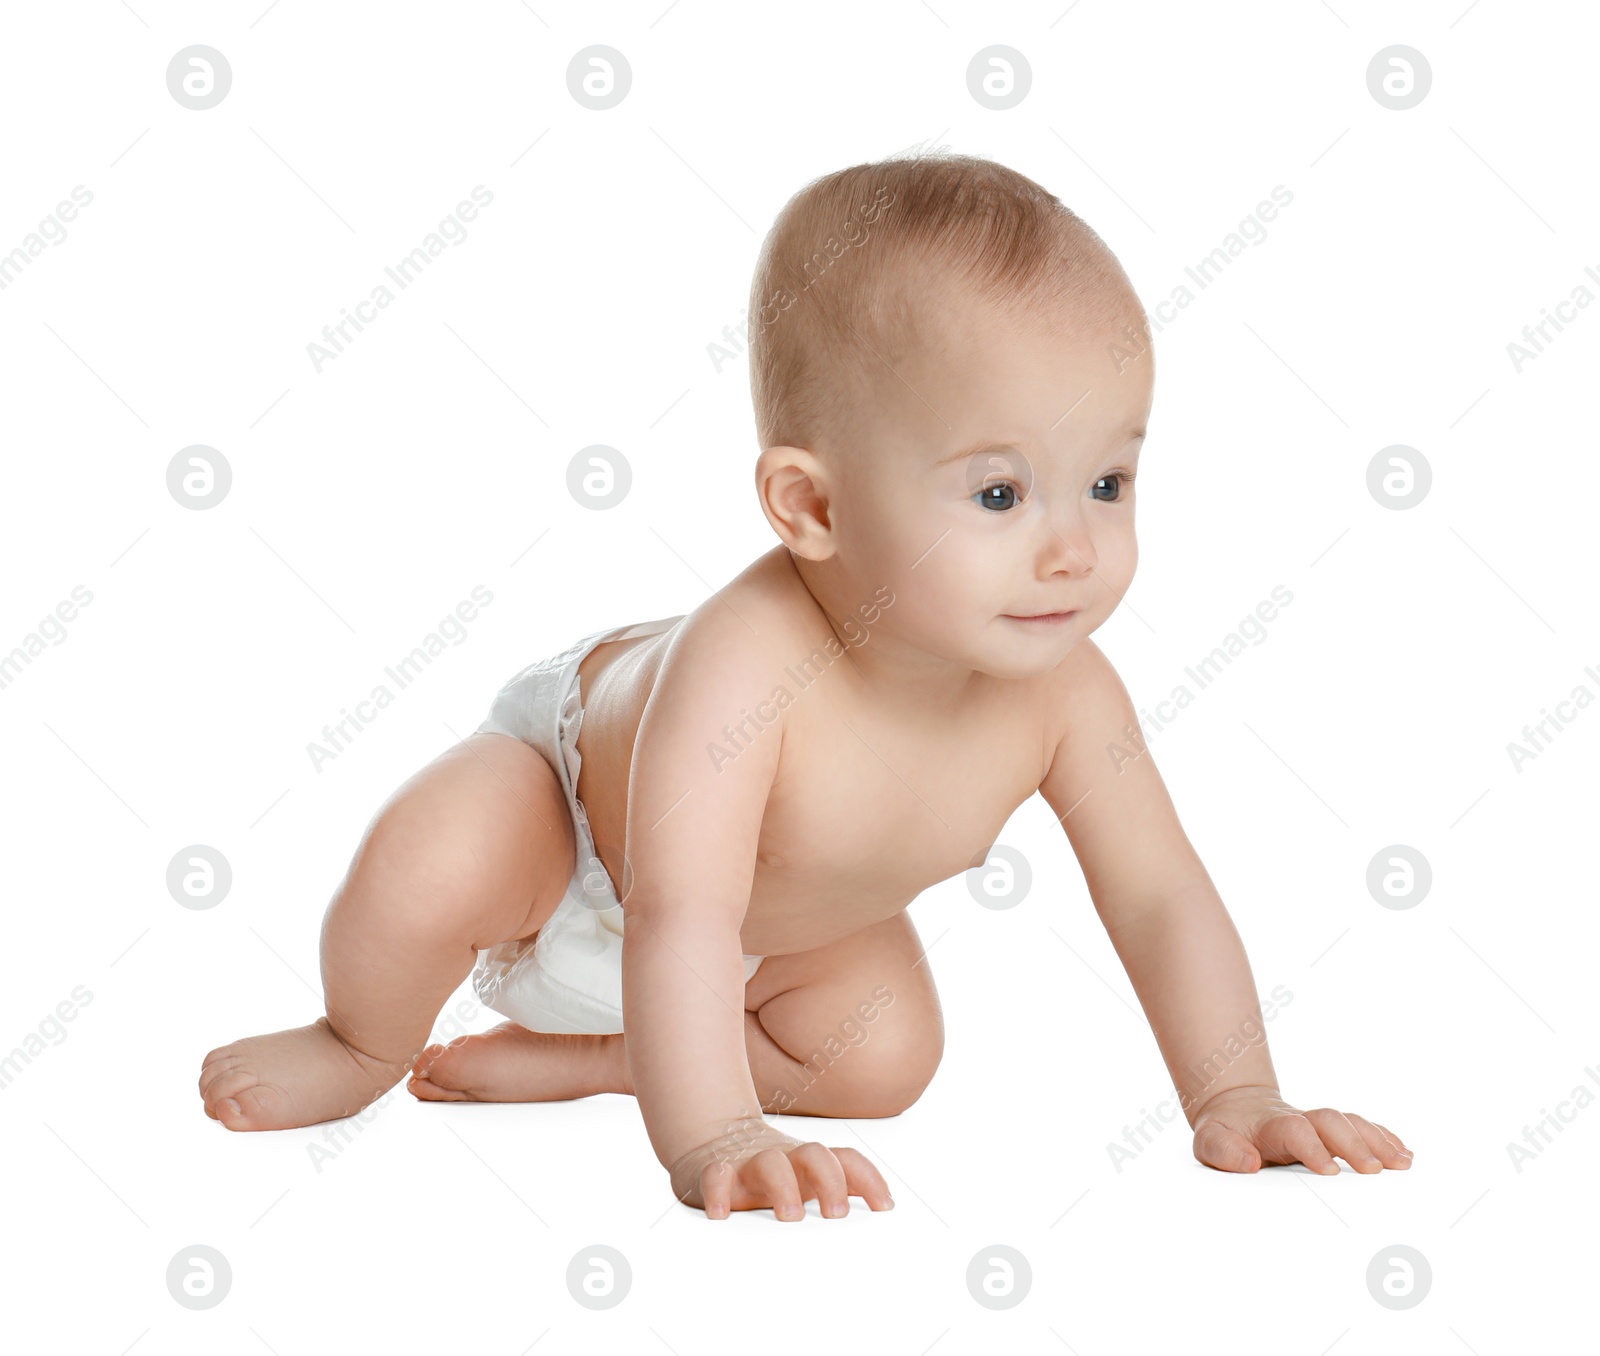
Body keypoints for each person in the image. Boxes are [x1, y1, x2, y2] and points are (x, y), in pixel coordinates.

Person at [199, 151, 1412, 1221]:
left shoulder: (1066, 694)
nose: (1073, 550)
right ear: (812, 507)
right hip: (576, 835)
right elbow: (680, 912)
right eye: (1000, 495)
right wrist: (717, 1135)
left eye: (1107, 482)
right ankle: (359, 1039)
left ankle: (612, 1061)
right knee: (436, 857)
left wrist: (1239, 1092)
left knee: (883, 1063)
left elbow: (1158, 897)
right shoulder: (748, 665)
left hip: (769, 940)